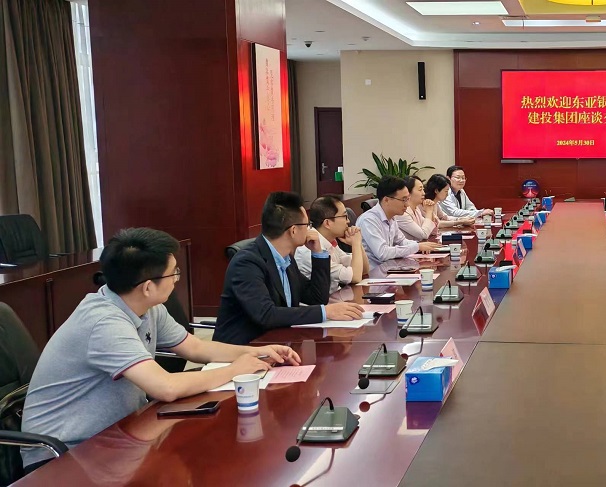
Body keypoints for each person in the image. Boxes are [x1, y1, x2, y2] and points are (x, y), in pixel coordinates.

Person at [20, 228, 301, 471]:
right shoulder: (104, 322)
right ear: (146, 287)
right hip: (64, 456)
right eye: (173, 273)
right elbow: (165, 387)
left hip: (118, 435)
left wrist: (254, 352)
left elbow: (195, 347)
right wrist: (236, 370)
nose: (177, 278)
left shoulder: (146, 306)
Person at [214, 192, 364, 345]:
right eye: (307, 225)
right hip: (244, 348)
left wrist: (318, 254)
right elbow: (266, 314)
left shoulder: (287, 259)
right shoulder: (247, 263)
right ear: (293, 230)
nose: (310, 230)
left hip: (279, 344)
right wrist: (325, 311)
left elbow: (317, 299)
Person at [357, 176, 442, 264]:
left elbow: (401, 241)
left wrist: (420, 246)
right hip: (376, 270)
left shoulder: (391, 218)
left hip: (390, 267)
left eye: (407, 199)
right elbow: (382, 253)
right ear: (386, 200)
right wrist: (416, 247)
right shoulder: (368, 220)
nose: (407, 204)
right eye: (403, 200)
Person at [295, 195, 370, 293]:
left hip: (335, 297)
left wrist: (358, 243)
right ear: (327, 223)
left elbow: (364, 270)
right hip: (322, 301)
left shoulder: (329, 241)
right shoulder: (311, 246)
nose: (348, 221)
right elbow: (355, 277)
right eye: (344, 216)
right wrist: (356, 243)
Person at [396, 175, 471, 241]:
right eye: (420, 190)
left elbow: (434, 229)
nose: (423, 193)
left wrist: (459, 220)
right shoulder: (402, 214)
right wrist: (429, 212)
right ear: (408, 192)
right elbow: (424, 234)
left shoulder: (416, 209)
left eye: (423, 189)